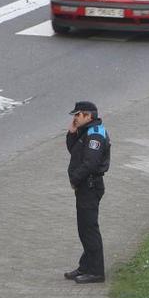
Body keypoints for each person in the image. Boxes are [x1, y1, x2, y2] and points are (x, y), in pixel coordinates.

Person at [64, 101, 111, 284]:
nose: (75, 118)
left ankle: (97, 271)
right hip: (85, 186)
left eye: (78, 115)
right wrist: (71, 132)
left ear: (88, 116)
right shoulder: (86, 131)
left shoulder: (95, 136)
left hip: (90, 187)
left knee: (89, 229)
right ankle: (86, 266)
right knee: (84, 229)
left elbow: (90, 163)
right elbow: (74, 151)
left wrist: (74, 179)